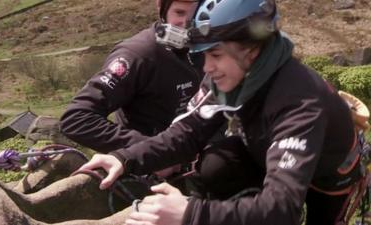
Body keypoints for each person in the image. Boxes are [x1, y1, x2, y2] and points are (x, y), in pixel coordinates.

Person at [76, 0, 365, 225]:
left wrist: (189, 214)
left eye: (215, 55)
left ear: (252, 51)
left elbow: (281, 210)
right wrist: (124, 158)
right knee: (216, 165)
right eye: (203, 56)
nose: (206, 67)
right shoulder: (230, 72)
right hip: (268, 148)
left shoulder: (300, 104)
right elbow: (186, 133)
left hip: (329, 175)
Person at [60, 0, 203, 178]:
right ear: (161, 8)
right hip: (155, 177)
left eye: (197, 15)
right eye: (180, 13)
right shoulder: (139, 54)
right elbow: (77, 119)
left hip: (203, 166)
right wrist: (151, 152)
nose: (187, 23)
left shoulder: (208, 47)